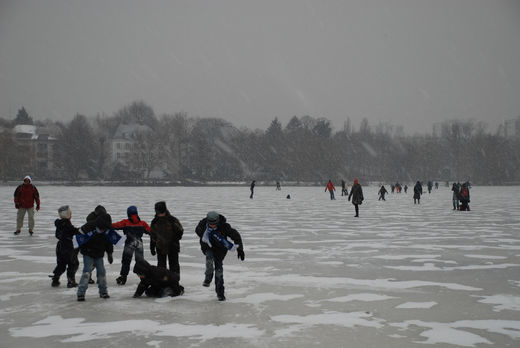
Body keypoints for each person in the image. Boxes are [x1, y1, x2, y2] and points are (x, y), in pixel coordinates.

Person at [195, 211, 245, 301]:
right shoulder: (202, 225)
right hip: (208, 247)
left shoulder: (224, 227)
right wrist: (207, 233)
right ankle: (208, 277)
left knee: (219, 271)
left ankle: (220, 294)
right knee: (209, 259)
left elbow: (236, 235)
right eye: (210, 224)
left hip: (220, 250)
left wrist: (240, 249)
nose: (212, 226)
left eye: (214, 224)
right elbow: (197, 230)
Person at [77, 213, 114, 301]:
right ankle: (81, 293)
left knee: (102, 272)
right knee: (86, 272)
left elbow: (109, 243)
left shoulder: (107, 231)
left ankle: (103, 292)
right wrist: (75, 252)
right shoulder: (89, 227)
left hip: (99, 254)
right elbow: (79, 239)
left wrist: (110, 253)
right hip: (88, 253)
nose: (103, 229)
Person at [112, 206, 150, 285]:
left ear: (128, 213)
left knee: (126, 261)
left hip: (129, 244)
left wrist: (106, 224)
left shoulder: (125, 222)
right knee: (140, 262)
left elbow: (115, 226)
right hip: (139, 244)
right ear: (137, 213)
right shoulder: (143, 223)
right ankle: (143, 277)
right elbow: (150, 231)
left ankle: (123, 277)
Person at [150, 201, 184, 276]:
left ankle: (175, 282)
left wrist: (174, 241)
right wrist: (152, 247)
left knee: (174, 266)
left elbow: (180, 231)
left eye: (161, 212)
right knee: (161, 267)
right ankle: (162, 283)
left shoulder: (172, 220)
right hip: (160, 247)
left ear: (165, 210)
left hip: (173, 247)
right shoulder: (154, 221)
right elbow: (152, 235)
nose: (160, 214)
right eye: (158, 212)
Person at [50, 206, 80, 288]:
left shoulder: (59, 224)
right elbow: (73, 230)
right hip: (67, 246)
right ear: (67, 214)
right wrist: (81, 230)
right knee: (73, 263)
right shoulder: (66, 223)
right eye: (70, 213)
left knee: (61, 264)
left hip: (59, 246)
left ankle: (55, 279)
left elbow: (58, 235)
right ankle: (71, 281)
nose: (71, 215)